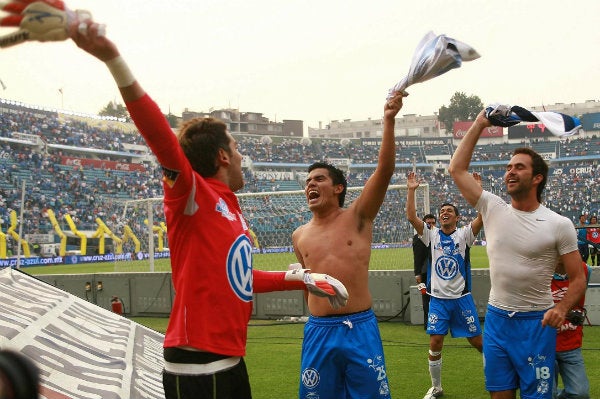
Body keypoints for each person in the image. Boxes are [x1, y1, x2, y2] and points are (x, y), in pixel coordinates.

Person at [28, 12, 351, 399]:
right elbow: (159, 137)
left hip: (228, 360)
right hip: (200, 365)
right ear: (222, 156)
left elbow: (240, 279)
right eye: (236, 147)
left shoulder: (228, 207)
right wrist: (112, 57)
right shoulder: (192, 194)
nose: (242, 154)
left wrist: (299, 278)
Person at [448, 110, 586, 399]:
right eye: (509, 167)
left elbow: (578, 279)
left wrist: (561, 309)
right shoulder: (492, 207)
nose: (509, 171)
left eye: (518, 167)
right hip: (497, 321)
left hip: (536, 323)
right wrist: (480, 123)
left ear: (537, 178)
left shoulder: (559, 224)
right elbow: (456, 169)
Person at [291, 90, 407, 399]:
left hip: (359, 328)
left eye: (319, 179)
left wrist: (388, 121)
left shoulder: (358, 216)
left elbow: (384, 171)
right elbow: (308, 282)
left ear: (339, 187)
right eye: (307, 182)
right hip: (318, 332)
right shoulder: (299, 235)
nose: (310, 185)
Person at [406, 171, 483, 399]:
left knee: (478, 342)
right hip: (438, 300)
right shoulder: (431, 236)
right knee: (435, 341)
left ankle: (498, 377)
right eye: (442, 212)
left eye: (449, 211)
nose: (444, 213)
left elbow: (482, 216)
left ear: (457, 218)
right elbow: (412, 217)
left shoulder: (465, 235)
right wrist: (411, 190)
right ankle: (436, 387)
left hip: (461, 298)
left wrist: (478, 191)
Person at [551, 259, 592, 399]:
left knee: (580, 394)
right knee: (545, 394)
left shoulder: (585, 270)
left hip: (571, 343)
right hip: (542, 345)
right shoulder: (538, 272)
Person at [413, 212, 437, 329]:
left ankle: (438, 322)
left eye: (433, 223)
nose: (431, 225)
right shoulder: (418, 237)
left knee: (438, 298)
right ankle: (428, 324)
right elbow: (417, 257)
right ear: (424, 224)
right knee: (426, 298)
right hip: (425, 272)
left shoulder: (438, 235)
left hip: (438, 273)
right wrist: (417, 273)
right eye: (428, 223)